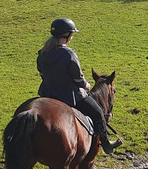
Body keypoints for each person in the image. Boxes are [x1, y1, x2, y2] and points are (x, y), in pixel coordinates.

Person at [37, 18, 123, 153]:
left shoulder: (42, 54)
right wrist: (86, 85)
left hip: (48, 95)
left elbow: (43, 74)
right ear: (67, 36)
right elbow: (77, 78)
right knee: (98, 112)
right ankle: (106, 144)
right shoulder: (68, 54)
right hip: (70, 96)